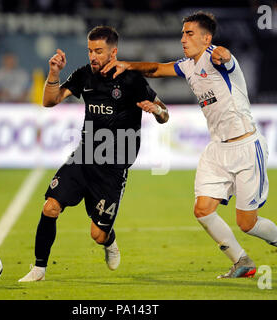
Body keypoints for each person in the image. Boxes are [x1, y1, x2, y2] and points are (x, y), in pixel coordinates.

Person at [101, 11, 277, 278]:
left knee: (247, 223)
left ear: (206, 38)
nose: (183, 38)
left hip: (245, 147)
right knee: (202, 210)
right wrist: (127, 65)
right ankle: (241, 260)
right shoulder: (188, 65)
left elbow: (226, 57)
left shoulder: (217, 58)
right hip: (217, 149)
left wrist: (224, 53)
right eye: (183, 33)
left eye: (190, 33)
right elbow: (157, 69)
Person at [19, 26, 169, 282]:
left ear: (114, 52)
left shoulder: (131, 79)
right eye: (90, 50)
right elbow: (49, 101)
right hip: (84, 157)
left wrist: (155, 110)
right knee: (50, 207)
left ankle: (109, 241)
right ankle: (39, 269)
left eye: (98, 51)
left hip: (112, 169)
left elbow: (165, 114)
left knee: (97, 235)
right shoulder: (84, 76)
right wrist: (54, 72)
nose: (93, 56)